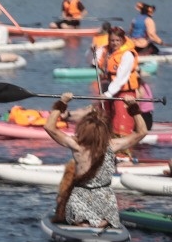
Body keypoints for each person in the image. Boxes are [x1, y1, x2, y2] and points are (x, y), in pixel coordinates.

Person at [44, 93, 148, 227]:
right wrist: (133, 107)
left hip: (82, 197)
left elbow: (49, 127)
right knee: (101, 221)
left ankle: (85, 224)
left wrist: (62, 103)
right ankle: (100, 223)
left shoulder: (77, 147)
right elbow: (142, 132)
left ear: (82, 129)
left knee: (81, 220)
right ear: (106, 130)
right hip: (104, 198)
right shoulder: (112, 145)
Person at [99, 27, 141, 137]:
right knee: (105, 116)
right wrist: (93, 50)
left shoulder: (127, 55)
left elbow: (121, 78)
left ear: (122, 40)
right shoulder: (108, 51)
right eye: (112, 40)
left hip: (124, 93)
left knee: (120, 123)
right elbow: (95, 60)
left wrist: (108, 94)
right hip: (112, 91)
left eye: (117, 40)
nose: (115, 43)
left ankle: (123, 143)